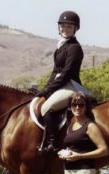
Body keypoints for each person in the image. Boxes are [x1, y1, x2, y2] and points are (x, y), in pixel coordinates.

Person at [36, 10, 84, 154]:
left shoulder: (74, 48)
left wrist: (48, 91)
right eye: (62, 26)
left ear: (75, 29)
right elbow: (55, 72)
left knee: (46, 108)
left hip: (71, 85)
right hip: (61, 84)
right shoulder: (61, 46)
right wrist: (45, 89)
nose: (65, 29)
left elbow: (66, 73)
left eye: (69, 27)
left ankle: (53, 144)